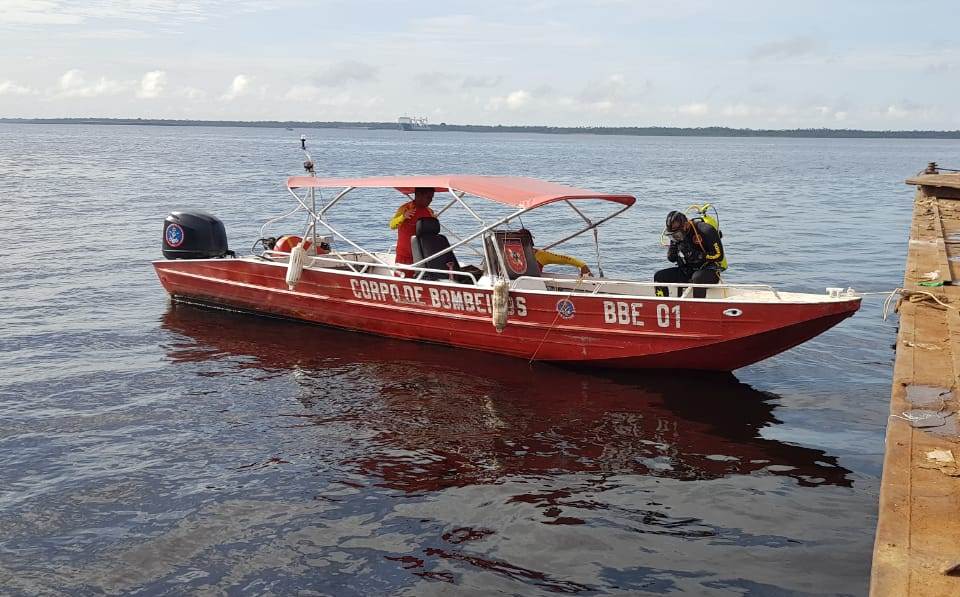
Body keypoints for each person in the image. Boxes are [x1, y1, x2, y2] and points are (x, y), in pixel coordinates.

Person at [654, 210, 724, 298]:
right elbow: (672, 259)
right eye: (673, 235)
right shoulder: (676, 236)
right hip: (688, 270)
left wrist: (697, 255)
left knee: (697, 277)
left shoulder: (705, 230)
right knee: (659, 276)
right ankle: (662, 302)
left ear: (686, 224)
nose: (676, 236)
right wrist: (672, 251)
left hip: (709, 271)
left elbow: (719, 255)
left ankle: (697, 308)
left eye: (677, 234)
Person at [389, 187, 436, 265]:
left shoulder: (430, 212)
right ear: (418, 195)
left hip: (423, 254)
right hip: (404, 254)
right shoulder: (405, 208)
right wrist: (403, 216)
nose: (431, 200)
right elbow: (392, 225)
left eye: (432, 198)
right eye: (428, 197)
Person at [518, 229, 592, 276]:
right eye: (521, 239)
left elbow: (565, 259)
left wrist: (582, 265)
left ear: (530, 240)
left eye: (525, 239)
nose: (523, 242)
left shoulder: (541, 255)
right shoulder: (510, 254)